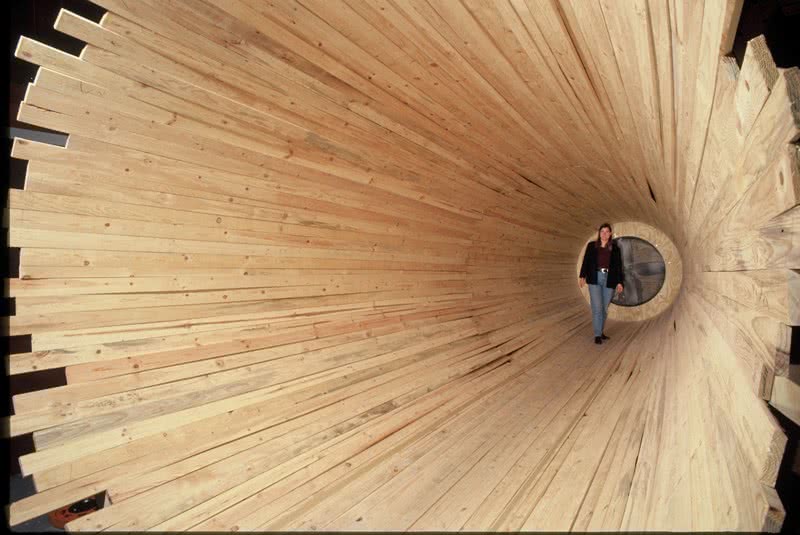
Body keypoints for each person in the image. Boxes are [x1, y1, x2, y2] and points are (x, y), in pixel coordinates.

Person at [579, 223, 625, 344]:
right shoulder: (591, 246)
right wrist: (582, 275)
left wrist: (620, 282)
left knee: (604, 308)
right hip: (595, 277)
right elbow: (586, 261)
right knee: (597, 307)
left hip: (610, 279)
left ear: (610, 234)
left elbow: (619, 267)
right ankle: (597, 334)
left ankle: (600, 331)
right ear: (599, 233)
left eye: (606, 232)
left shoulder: (615, 249)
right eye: (602, 231)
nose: (604, 234)